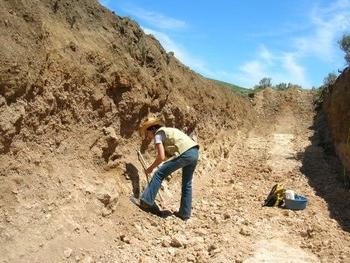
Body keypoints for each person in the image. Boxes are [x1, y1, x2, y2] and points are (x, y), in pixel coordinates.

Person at [138, 117, 199, 220]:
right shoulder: (168, 131)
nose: (147, 137)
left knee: (158, 174)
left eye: (146, 133)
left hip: (185, 153)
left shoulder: (158, 134)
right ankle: (185, 213)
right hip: (194, 152)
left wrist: (150, 168)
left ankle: (145, 202)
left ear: (151, 129)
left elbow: (161, 157)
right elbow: (166, 156)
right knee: (187, 183)